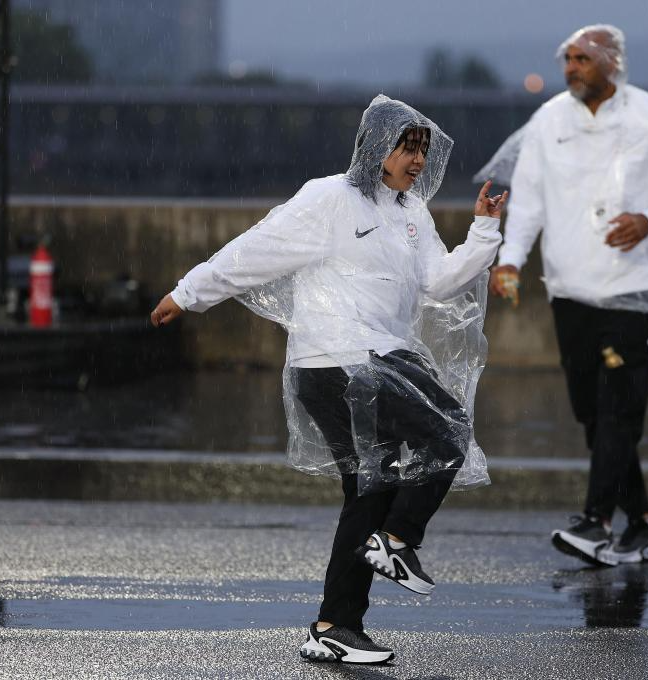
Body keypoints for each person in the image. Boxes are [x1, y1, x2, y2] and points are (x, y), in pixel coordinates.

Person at [151, 94, 506, 664]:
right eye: (405, 147)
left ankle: (335, 626)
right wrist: (188, 293)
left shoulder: (412, 213)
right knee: (446, 432)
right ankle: (396, 542)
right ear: (374, 147)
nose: (416, 160)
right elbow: (255, 252)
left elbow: (438, 282)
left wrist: (484, 233)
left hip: (384, 357)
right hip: (334, 361)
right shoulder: (329, 198)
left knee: (371, 490)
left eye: (422, 149)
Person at [476, 25, 648, 567]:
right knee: (593, 411)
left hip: (635, 289)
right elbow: (531, 200)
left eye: (583, 59)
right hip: (571, 290)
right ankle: (644, 524)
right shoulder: (550, 122)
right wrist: (511, 258)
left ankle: (596, 523)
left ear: (613, 63)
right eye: (567, 59)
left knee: (618, 405)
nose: (571, 68)